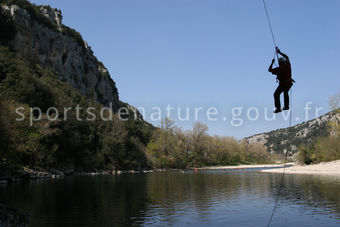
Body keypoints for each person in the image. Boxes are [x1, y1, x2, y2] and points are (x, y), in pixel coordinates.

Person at [268, 47, 293, 113]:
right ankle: (286, 106)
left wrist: (272, 62)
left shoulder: (279, 69)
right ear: (284, 62)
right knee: (285, 93)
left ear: (279, 63)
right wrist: (279, 52)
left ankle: (278, 108)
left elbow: (269, 70)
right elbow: (287, 57)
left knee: (276, 94)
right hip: (289, 83)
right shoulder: (288, 65)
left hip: (283, 84)